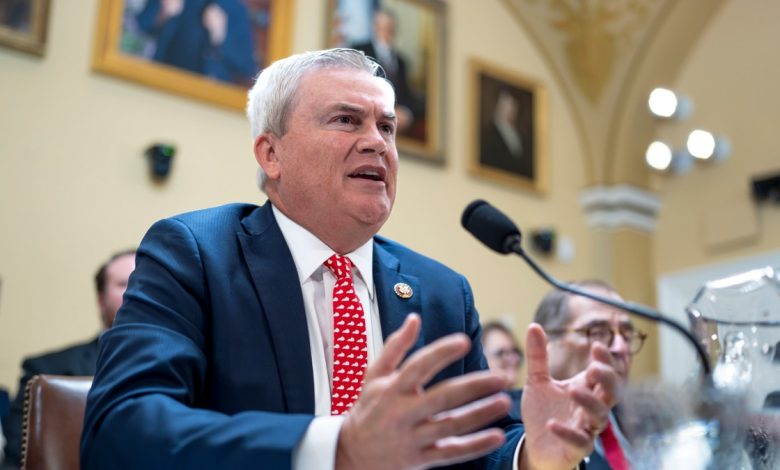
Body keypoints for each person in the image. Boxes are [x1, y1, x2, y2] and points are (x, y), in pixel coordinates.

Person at [81, 48, 622, 470]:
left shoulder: (440, 291)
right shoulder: (196, 253)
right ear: (271, 153)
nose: (377, 144)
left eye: (386, 127)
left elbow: (473, 454)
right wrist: (338, 447)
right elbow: (122, 431)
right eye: (345, 120)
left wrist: (532, 455)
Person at [2, 250, 135, 468]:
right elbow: (19, 460)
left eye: (144, 283)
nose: (136, 292)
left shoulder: (195, 366)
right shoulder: (46, 370)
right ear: (101, 300)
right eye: (124, 283)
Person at [531, 280, 648, 470]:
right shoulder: (508, 427)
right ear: (545, 345)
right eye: (598, 332)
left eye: (626, 334)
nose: (621, 347)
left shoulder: (640, 420)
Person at [135, 0, 258, 86]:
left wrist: (221, 37)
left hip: (207, 92)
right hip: (164, 79)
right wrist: (163, 14)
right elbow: (141, 25)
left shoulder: (235, 9)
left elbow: (247, 66)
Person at [351, 9, 423, 138]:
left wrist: (406, 112)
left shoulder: (402, 62)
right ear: (375, 27)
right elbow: (353, 85)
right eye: (381, 27)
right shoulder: (359, 51)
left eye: (389, 29)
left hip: (393, 125)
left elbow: (407, 95)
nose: (385, 32)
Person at [479, 88, 533, 180]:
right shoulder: (489, 135)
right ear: (498, 106)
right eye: (507, 104)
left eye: (513, 105)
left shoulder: (520, 136)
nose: (511, 109)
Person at [480, 321, 524, 418]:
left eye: (515, 352)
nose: (514, 359)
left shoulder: (525, 399)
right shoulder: (479, 408)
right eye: (502, 353)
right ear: (482, 359)